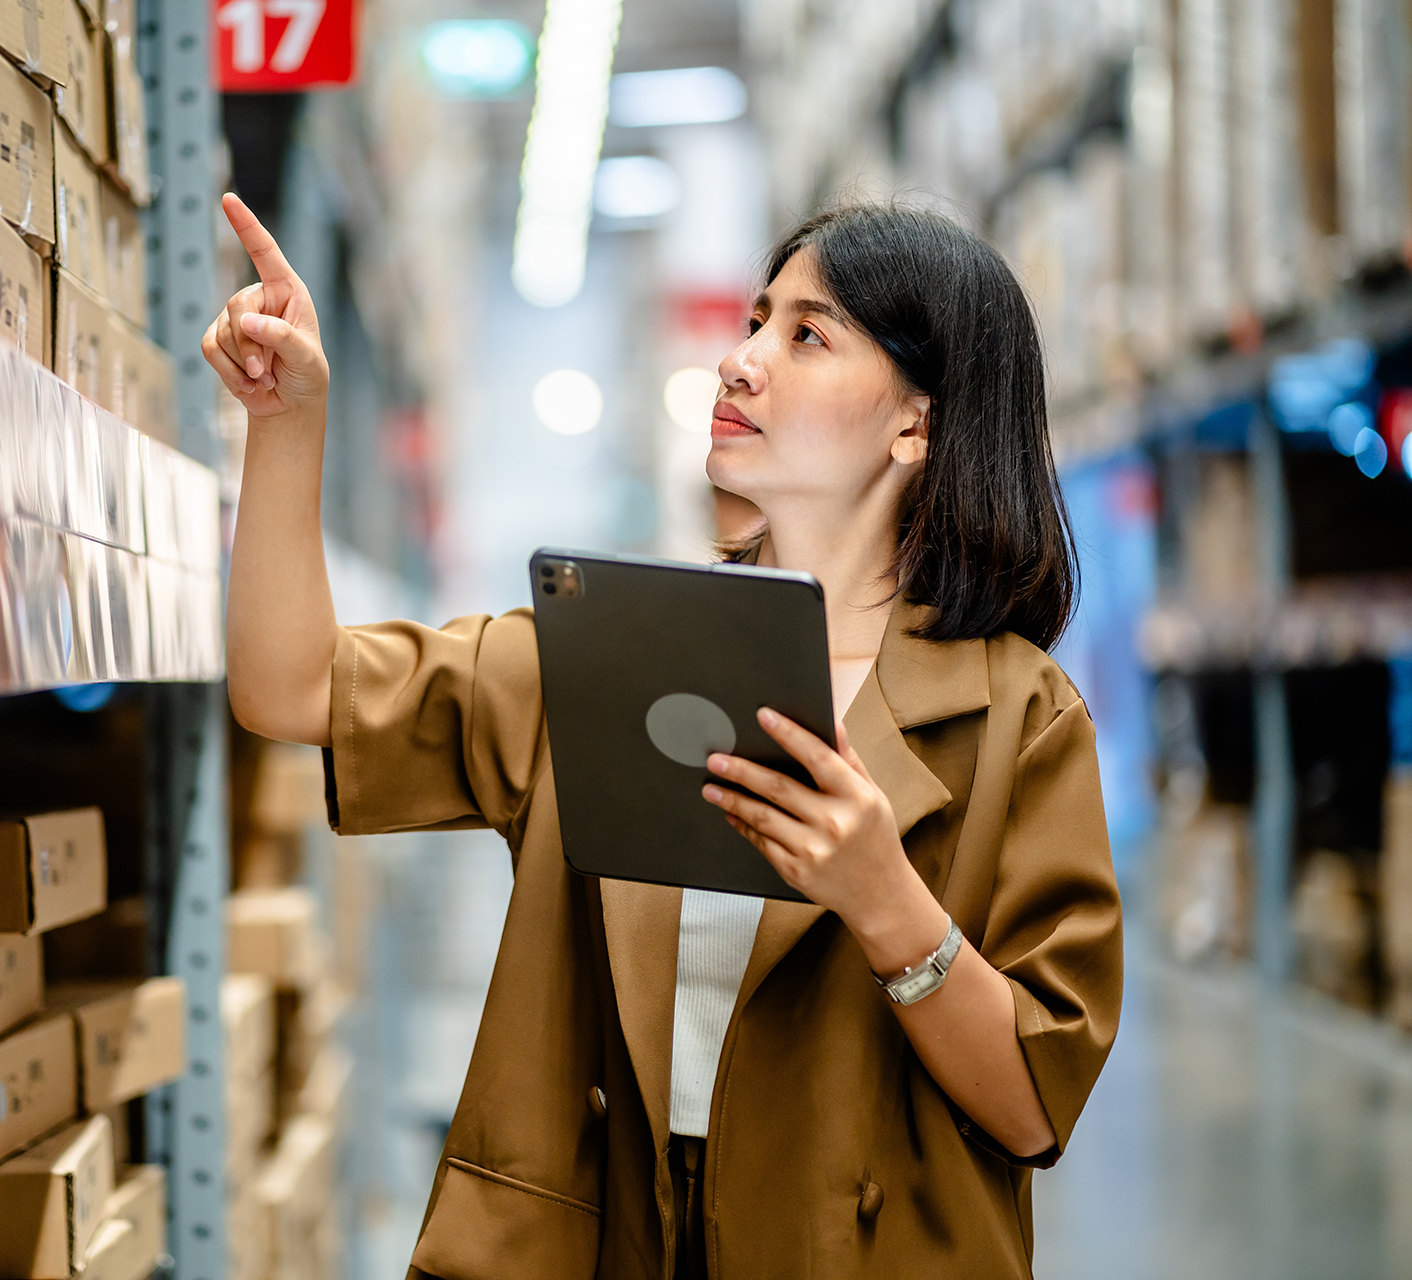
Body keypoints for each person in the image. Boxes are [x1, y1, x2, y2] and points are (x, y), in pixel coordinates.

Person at [205, 193, 1123, 1280]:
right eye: (753, 321)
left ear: (914, 423)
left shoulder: (1018, 718)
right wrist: (286, 421)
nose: (741, 361)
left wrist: (887, 902)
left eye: (806, 334)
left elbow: (1028, 1107)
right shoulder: (614, 648)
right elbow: (291, 684)